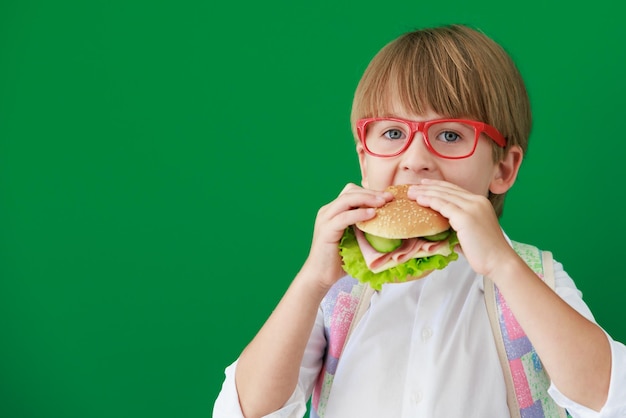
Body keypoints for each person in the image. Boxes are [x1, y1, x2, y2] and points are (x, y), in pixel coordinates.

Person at [213, 24, 626, 417]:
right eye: (392, 134)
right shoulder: (337, 290)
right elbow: (244, 413)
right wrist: (310, 282)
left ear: (503, 169)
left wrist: (504, 266)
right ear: (364, 158)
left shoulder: (537, 276)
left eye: (449, 135)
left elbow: (612, 403)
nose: (415, 161)